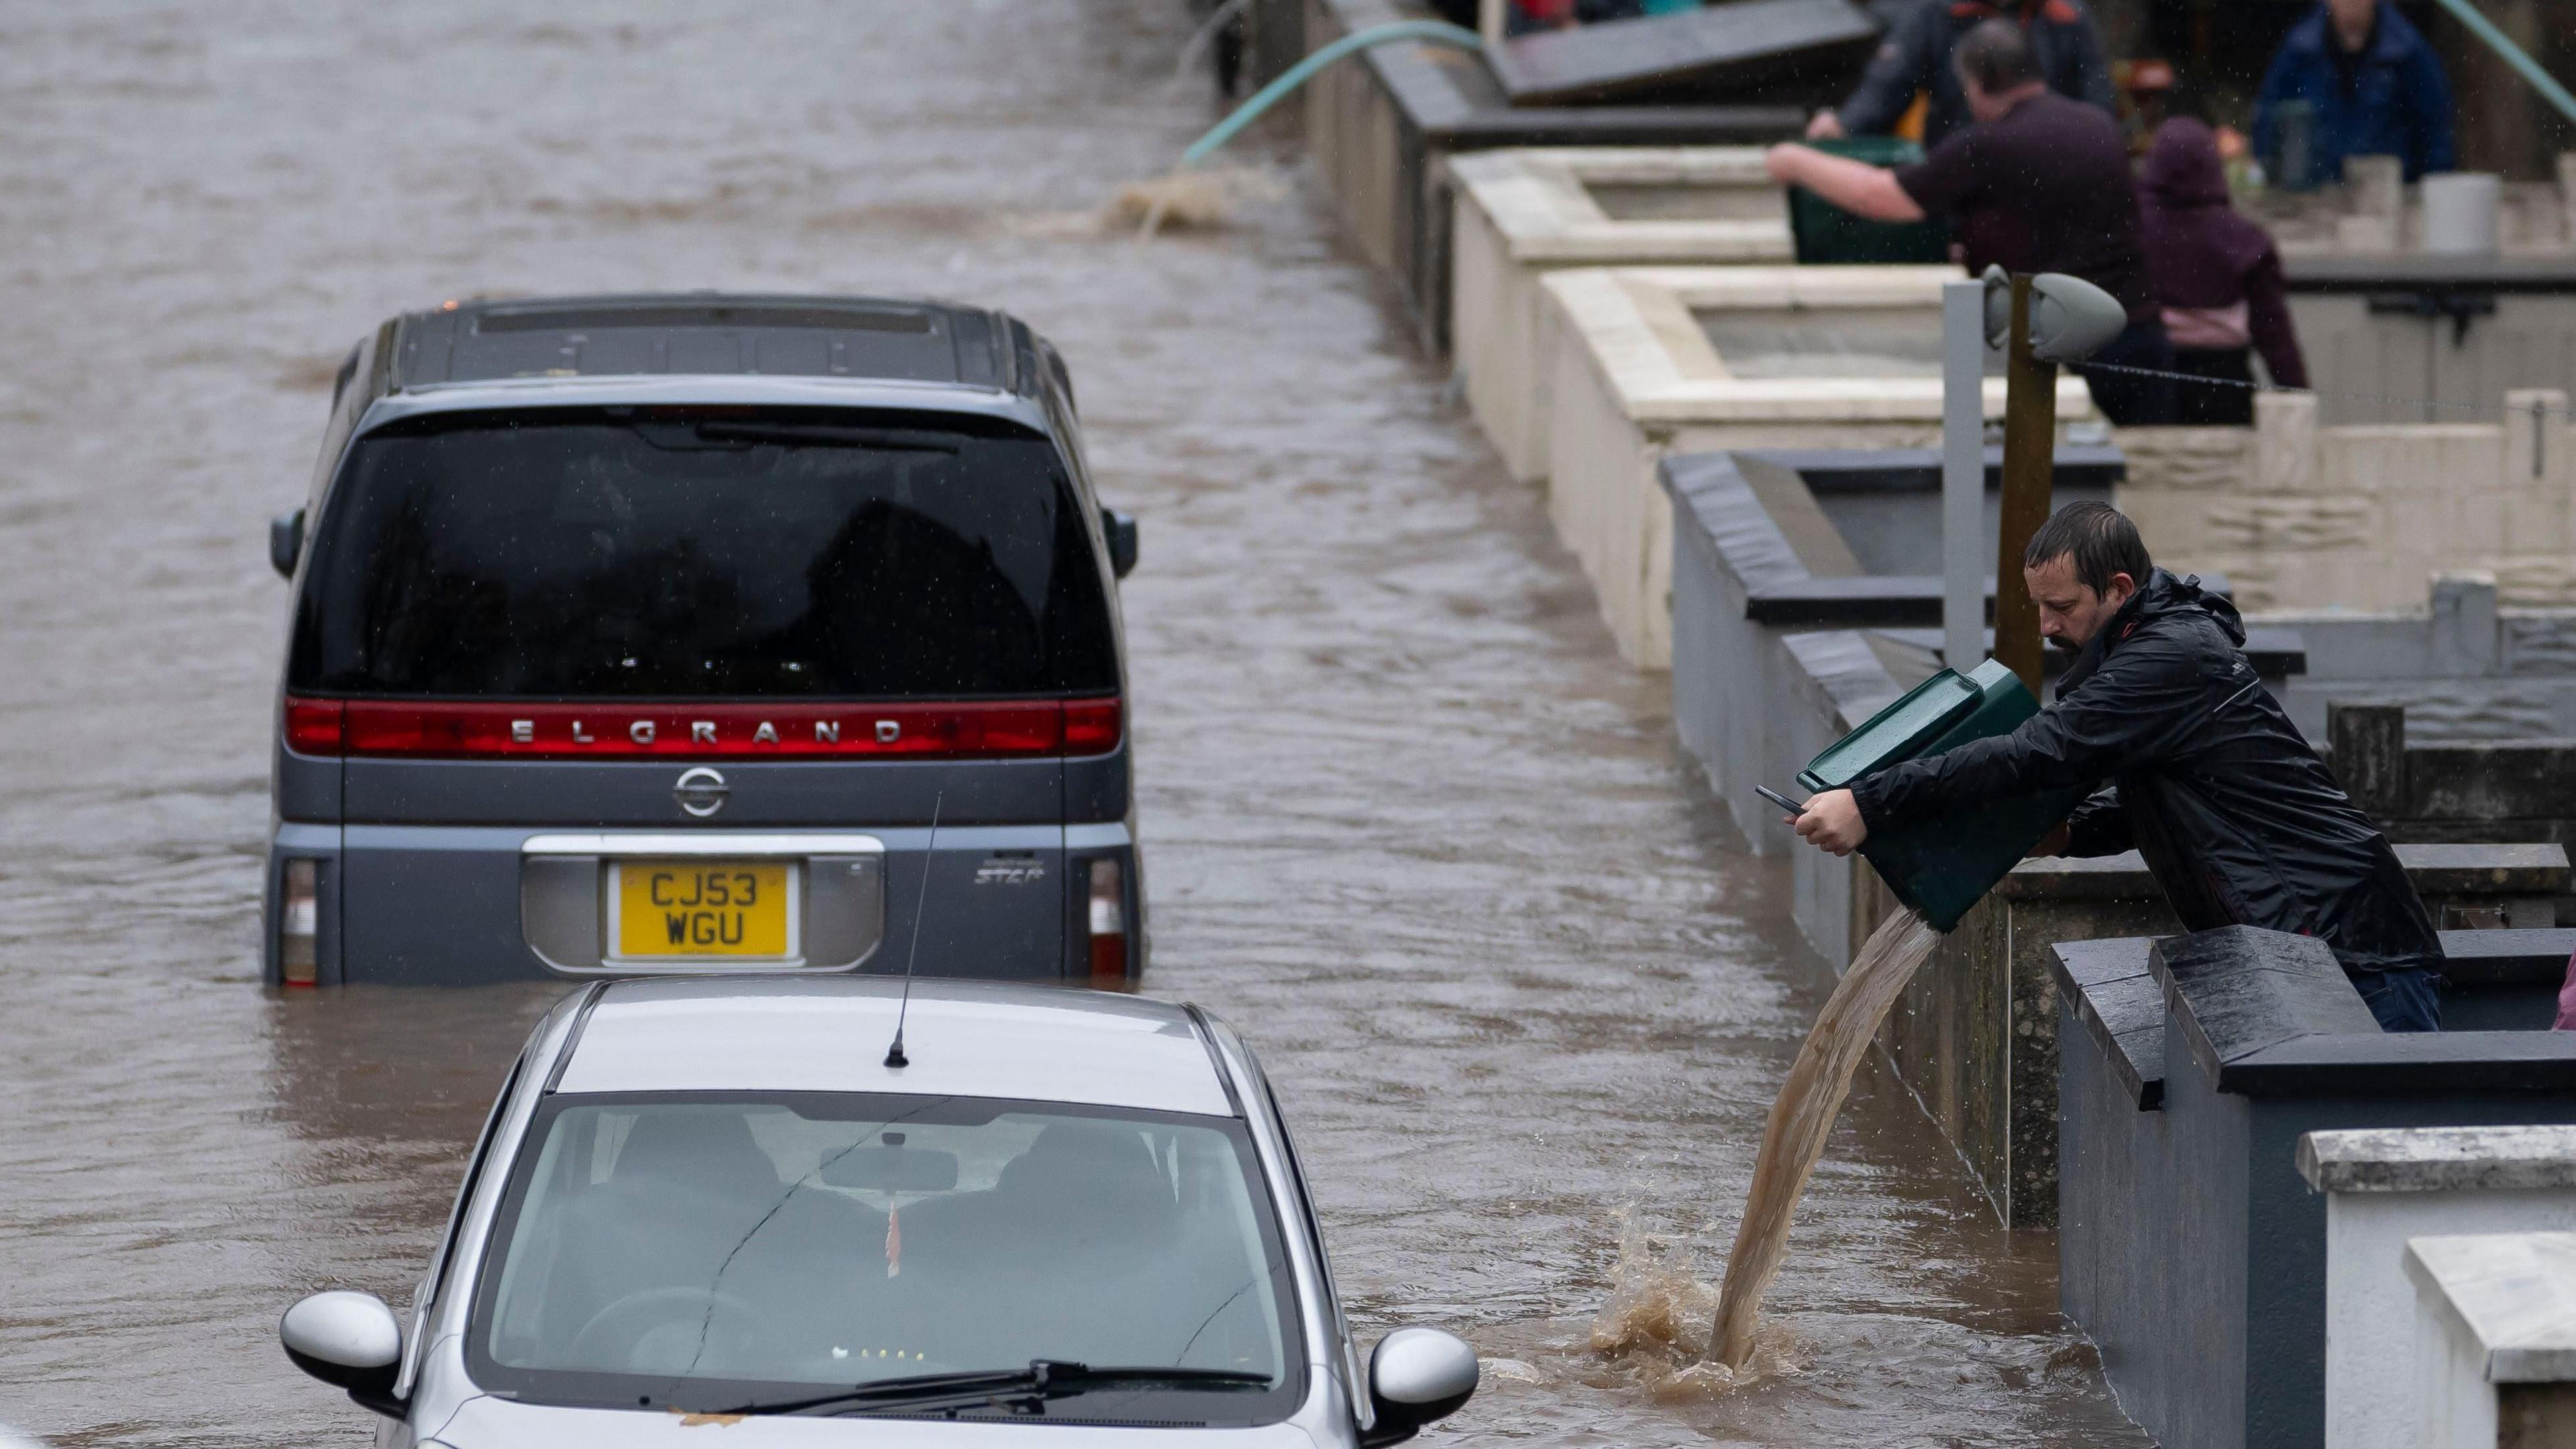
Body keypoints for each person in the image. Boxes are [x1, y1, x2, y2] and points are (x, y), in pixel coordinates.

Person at [1788, 504, 2447, 1033]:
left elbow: (2034, 753)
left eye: (2063, 607)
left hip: (2350, 951)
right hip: (2309, 942)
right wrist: (2071, 836)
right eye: (2037, 606)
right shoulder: (2148, 647)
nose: (2046, 625)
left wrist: (1869, 803)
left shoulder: (2166, 659)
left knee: (2371, 1161)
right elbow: (2169, 798)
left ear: (2120, 589)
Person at [1765, 20, 2173, 425]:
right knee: (2145, 478)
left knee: (2068, 483)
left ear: (1975, 83)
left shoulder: (1988, 144)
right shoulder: (2096, 125)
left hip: (2067, 353)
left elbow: (1882, 196)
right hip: (2136, 336)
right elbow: (2057, 215)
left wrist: (1795, 160)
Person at [2138, 116, 2308, 425]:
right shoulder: (2242, 238)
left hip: (2147, 377)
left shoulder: (2130, 231)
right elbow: (2273, 331)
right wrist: (2297, 396)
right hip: (2223, 382)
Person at [1807, 0, 2114, 151]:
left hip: (2050, 164)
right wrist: (1845, 125)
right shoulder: (1935, 13)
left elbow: (2098, 101)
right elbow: (1888, 86)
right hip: (1961, 158)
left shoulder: (2067, 15)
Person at [2253, 0, 2455, 186]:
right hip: (2316, 198)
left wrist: (2429, 192)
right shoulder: (2299, 51)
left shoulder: (2408, 51)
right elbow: (2267, 120)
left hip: (2388, 196)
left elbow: (2436, 130)